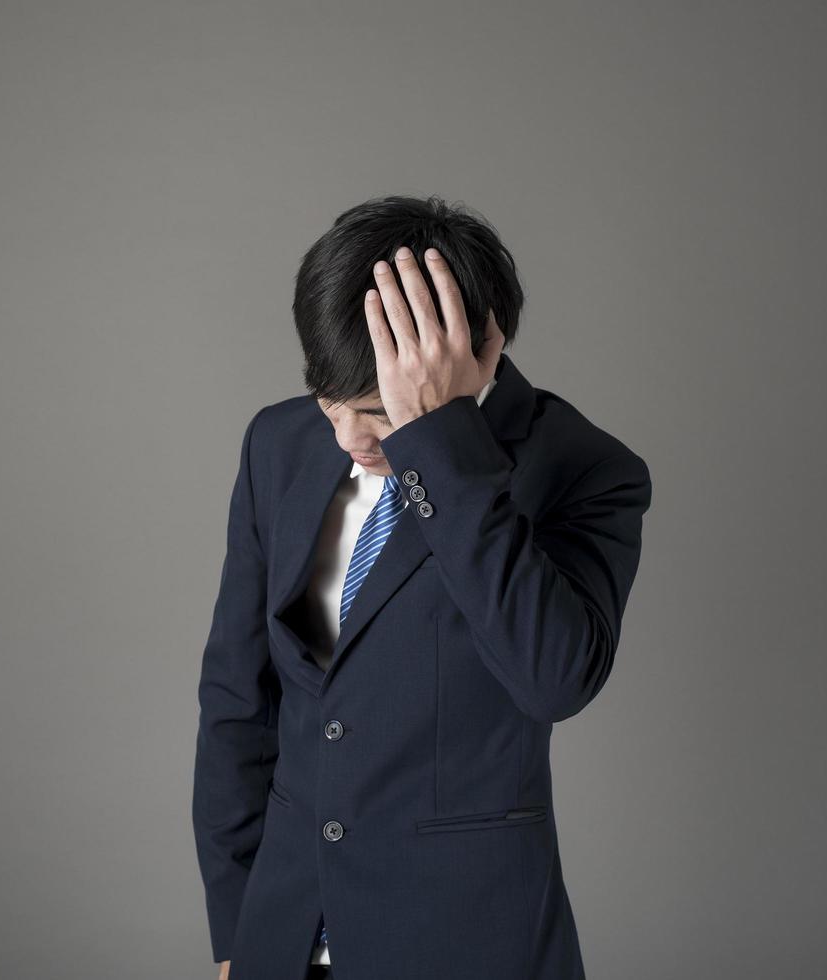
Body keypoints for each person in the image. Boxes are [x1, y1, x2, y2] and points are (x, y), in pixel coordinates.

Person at [191, 194, 653, 979]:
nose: (347, 438)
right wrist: (238, 929)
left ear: (480, 347)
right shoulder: (279, 442)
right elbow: (239, 697)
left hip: (465, 942)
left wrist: (438, 444)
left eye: (374, 412)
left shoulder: (584, 468)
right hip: (284, 931)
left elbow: (554, 680)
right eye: (331, 405)